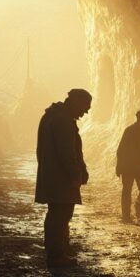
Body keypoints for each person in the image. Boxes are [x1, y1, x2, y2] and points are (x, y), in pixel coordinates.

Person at [35, 89, 92, 267]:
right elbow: (67, 153)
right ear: (76, 102)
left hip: (54, 175)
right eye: (85, 106)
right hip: (61, 178)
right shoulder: (63, 121)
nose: (86, 111)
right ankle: (56, 255)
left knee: (57, 214)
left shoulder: (54, 117)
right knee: (60, 215)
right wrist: (75, 174)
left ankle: (58, 250)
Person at [116, 109, 140, 222]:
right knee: (128, 190)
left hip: (139, 166)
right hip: (129, 166)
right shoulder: (130, 130)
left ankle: (137, 207)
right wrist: (119, 165)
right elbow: (121, 149)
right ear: (139, 117)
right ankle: (126, 215)